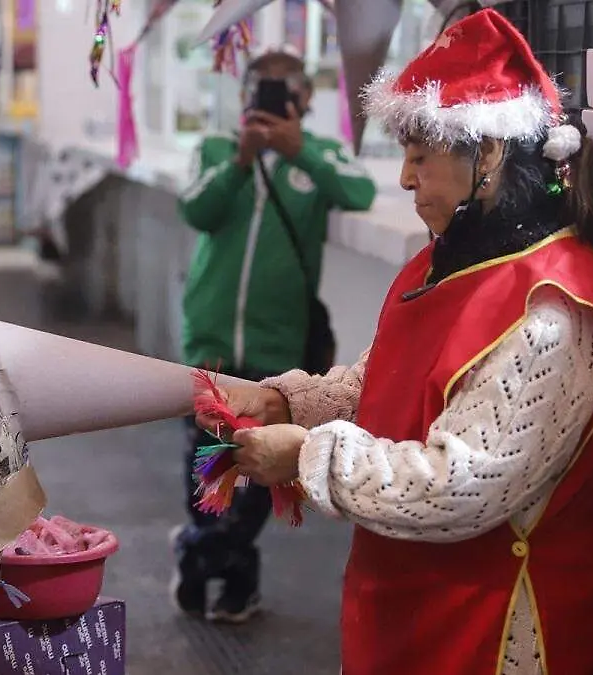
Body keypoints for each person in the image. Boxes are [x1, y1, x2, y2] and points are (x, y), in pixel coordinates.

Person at [197, 10, 593, 674]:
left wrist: (310, 454)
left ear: (487, 153)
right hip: (413, 602)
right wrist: (289, 402)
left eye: (421, 156)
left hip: (498, 625)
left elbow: (460, 485)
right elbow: (382, 384)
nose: (404, 178)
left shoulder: (554, 308)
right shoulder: (440, 266)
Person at [173, 45, 377, 624]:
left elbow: (357, 190)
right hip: (210, 336)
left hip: (277, 348)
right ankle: (236, 580)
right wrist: (241, 160)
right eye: (259, 87)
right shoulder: (217, 150)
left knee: (258, 471)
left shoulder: (319, 156)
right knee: (208, 464)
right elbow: (197, 209)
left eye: (283, 90)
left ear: (306, 100)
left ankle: (199, 552)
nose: (268, 98)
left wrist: (300, 151)